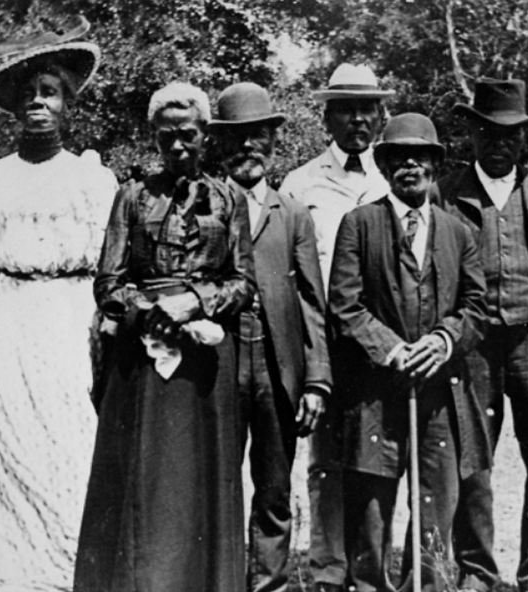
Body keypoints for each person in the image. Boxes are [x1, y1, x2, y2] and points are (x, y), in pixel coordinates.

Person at [0, 17, 118, 592]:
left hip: (73, 328)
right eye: (29, 96)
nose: (38, 104)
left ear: (69, 103)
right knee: (14, 455)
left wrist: (103, 340)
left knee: (74, 453)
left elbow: (106, 272)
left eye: (50, 93)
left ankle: (74, 574)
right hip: (10, 331)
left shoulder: (92, 179)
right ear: (14, 109)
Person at [73, 81, 256, 592]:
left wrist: (195, 302)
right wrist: (147, 310)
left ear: (206, 136)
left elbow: (244, 282)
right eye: (167, 137)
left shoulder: (230, 200)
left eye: (189, 135)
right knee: (143, 484)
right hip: (141, 364)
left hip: (204, 370)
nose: (179, 147)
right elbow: (108, 282)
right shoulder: (131, 197)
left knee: (199, 486)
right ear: (153, 137)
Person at [329, 113, 489, 592]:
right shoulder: (359, 225)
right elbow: (345, 304)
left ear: (436, 166)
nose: (409, 166)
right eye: (398, 157)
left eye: (420, 157)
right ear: (383, 165)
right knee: (370, 518)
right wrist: (393, 349)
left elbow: (476, 306)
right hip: (375, 396)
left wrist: (442, 341)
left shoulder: (458, 232)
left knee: (435, 511)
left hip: (439, 397)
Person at [438, 79, 528, 592]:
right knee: (471, 463)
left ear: (524, 139)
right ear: (472, 134)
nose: (499, 142)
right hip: (473, 348)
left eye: (511, 134)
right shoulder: (447, 191)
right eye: (488, 131)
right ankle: (477, 569)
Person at [209, 82, 332, 592]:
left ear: (273, 142)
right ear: (220, 145)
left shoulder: (293, 212)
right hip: (217, 365)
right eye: (236, 138)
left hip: (279, 367)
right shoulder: (204, 206)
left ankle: (269, 583)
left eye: (257, 136)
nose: (247, 148)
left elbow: (311, 301)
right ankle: (217, 580)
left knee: (274, 487)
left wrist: (317, 380)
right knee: (216, 483)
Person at [278, 62, 393, 592]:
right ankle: (327, 570)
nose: (357, 120)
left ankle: (371, 566)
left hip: (379, 343)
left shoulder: (394, 177)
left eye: (366, 108)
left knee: (374, 457)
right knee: (324, 458)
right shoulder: (300, 184)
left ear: (380, 114)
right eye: (345, 109)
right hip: (322, 341)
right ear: (327, 116)